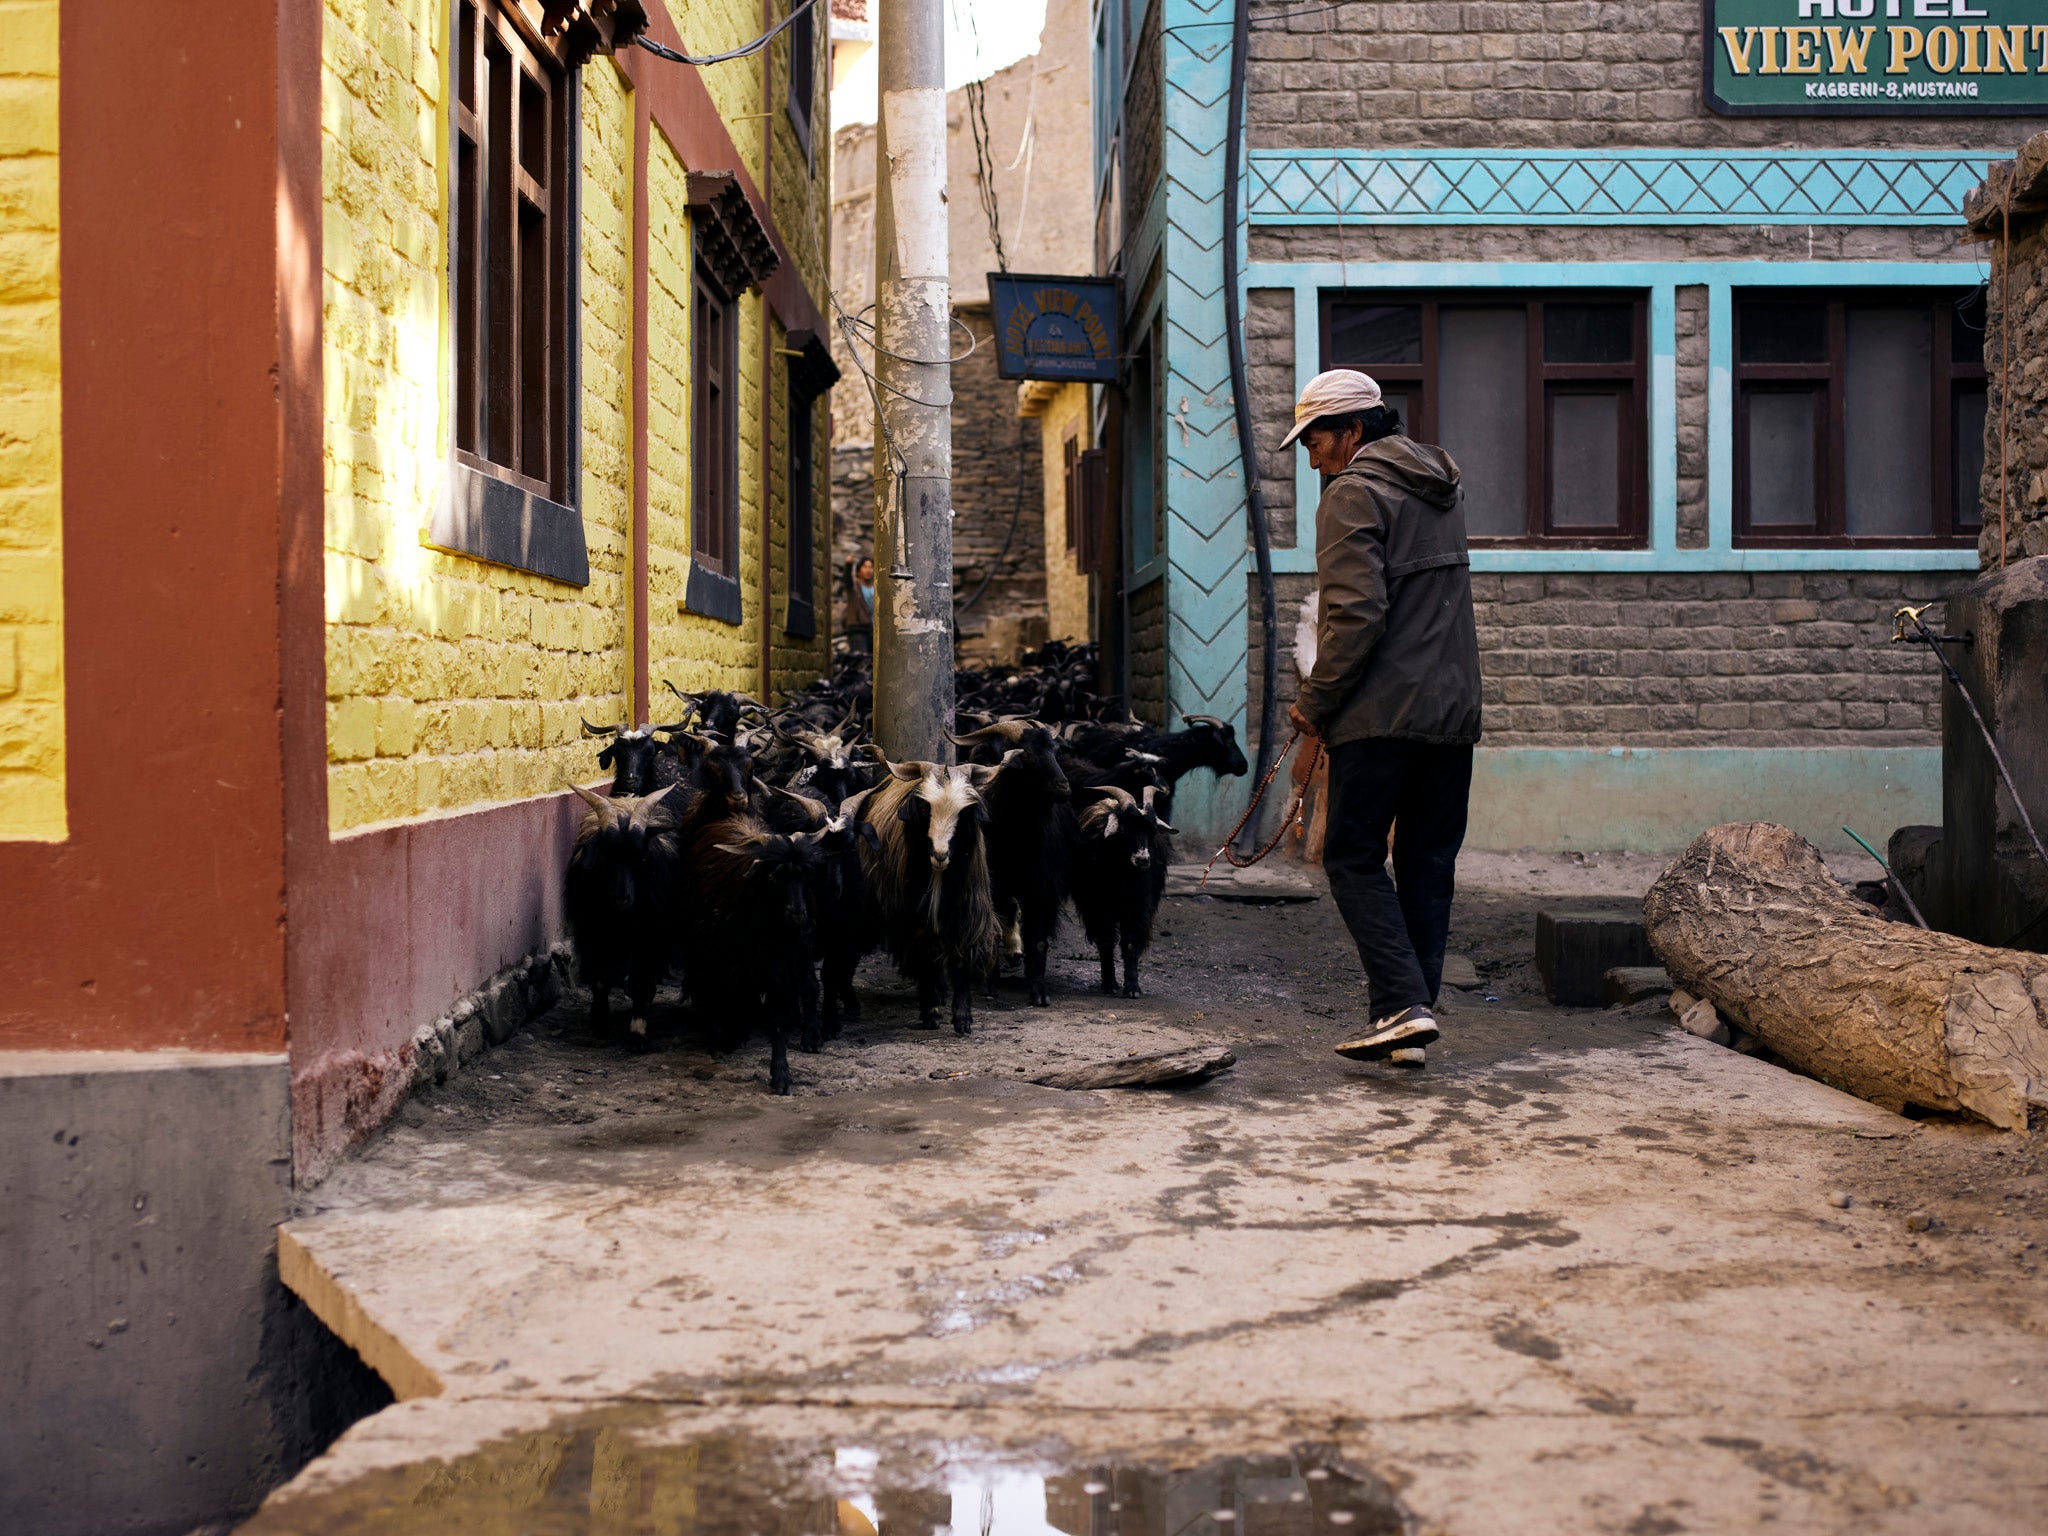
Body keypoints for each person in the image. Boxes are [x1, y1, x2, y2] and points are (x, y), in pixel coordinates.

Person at [1282, 368, 1481, 1070]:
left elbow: (1354, 617)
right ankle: (1411, 1019)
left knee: (1353, 856)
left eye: (1316, 441)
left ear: (1354, 432)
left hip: (1380, 713)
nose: (1313, 459)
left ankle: (1399, 1004)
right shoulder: (1443, 491)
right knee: (1427, 861)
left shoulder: (1353, 494)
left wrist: (1314, 703)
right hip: (1453, 712)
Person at [841, 556, 875, 653]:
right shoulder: (854, 586)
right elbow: (847, 579)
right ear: (859, 570)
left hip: (871, 629)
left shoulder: (875, 587)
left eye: (871, 567)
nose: (868, 570)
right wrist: (849, 565)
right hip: (857, 629)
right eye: (865, 567)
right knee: (861, 659)